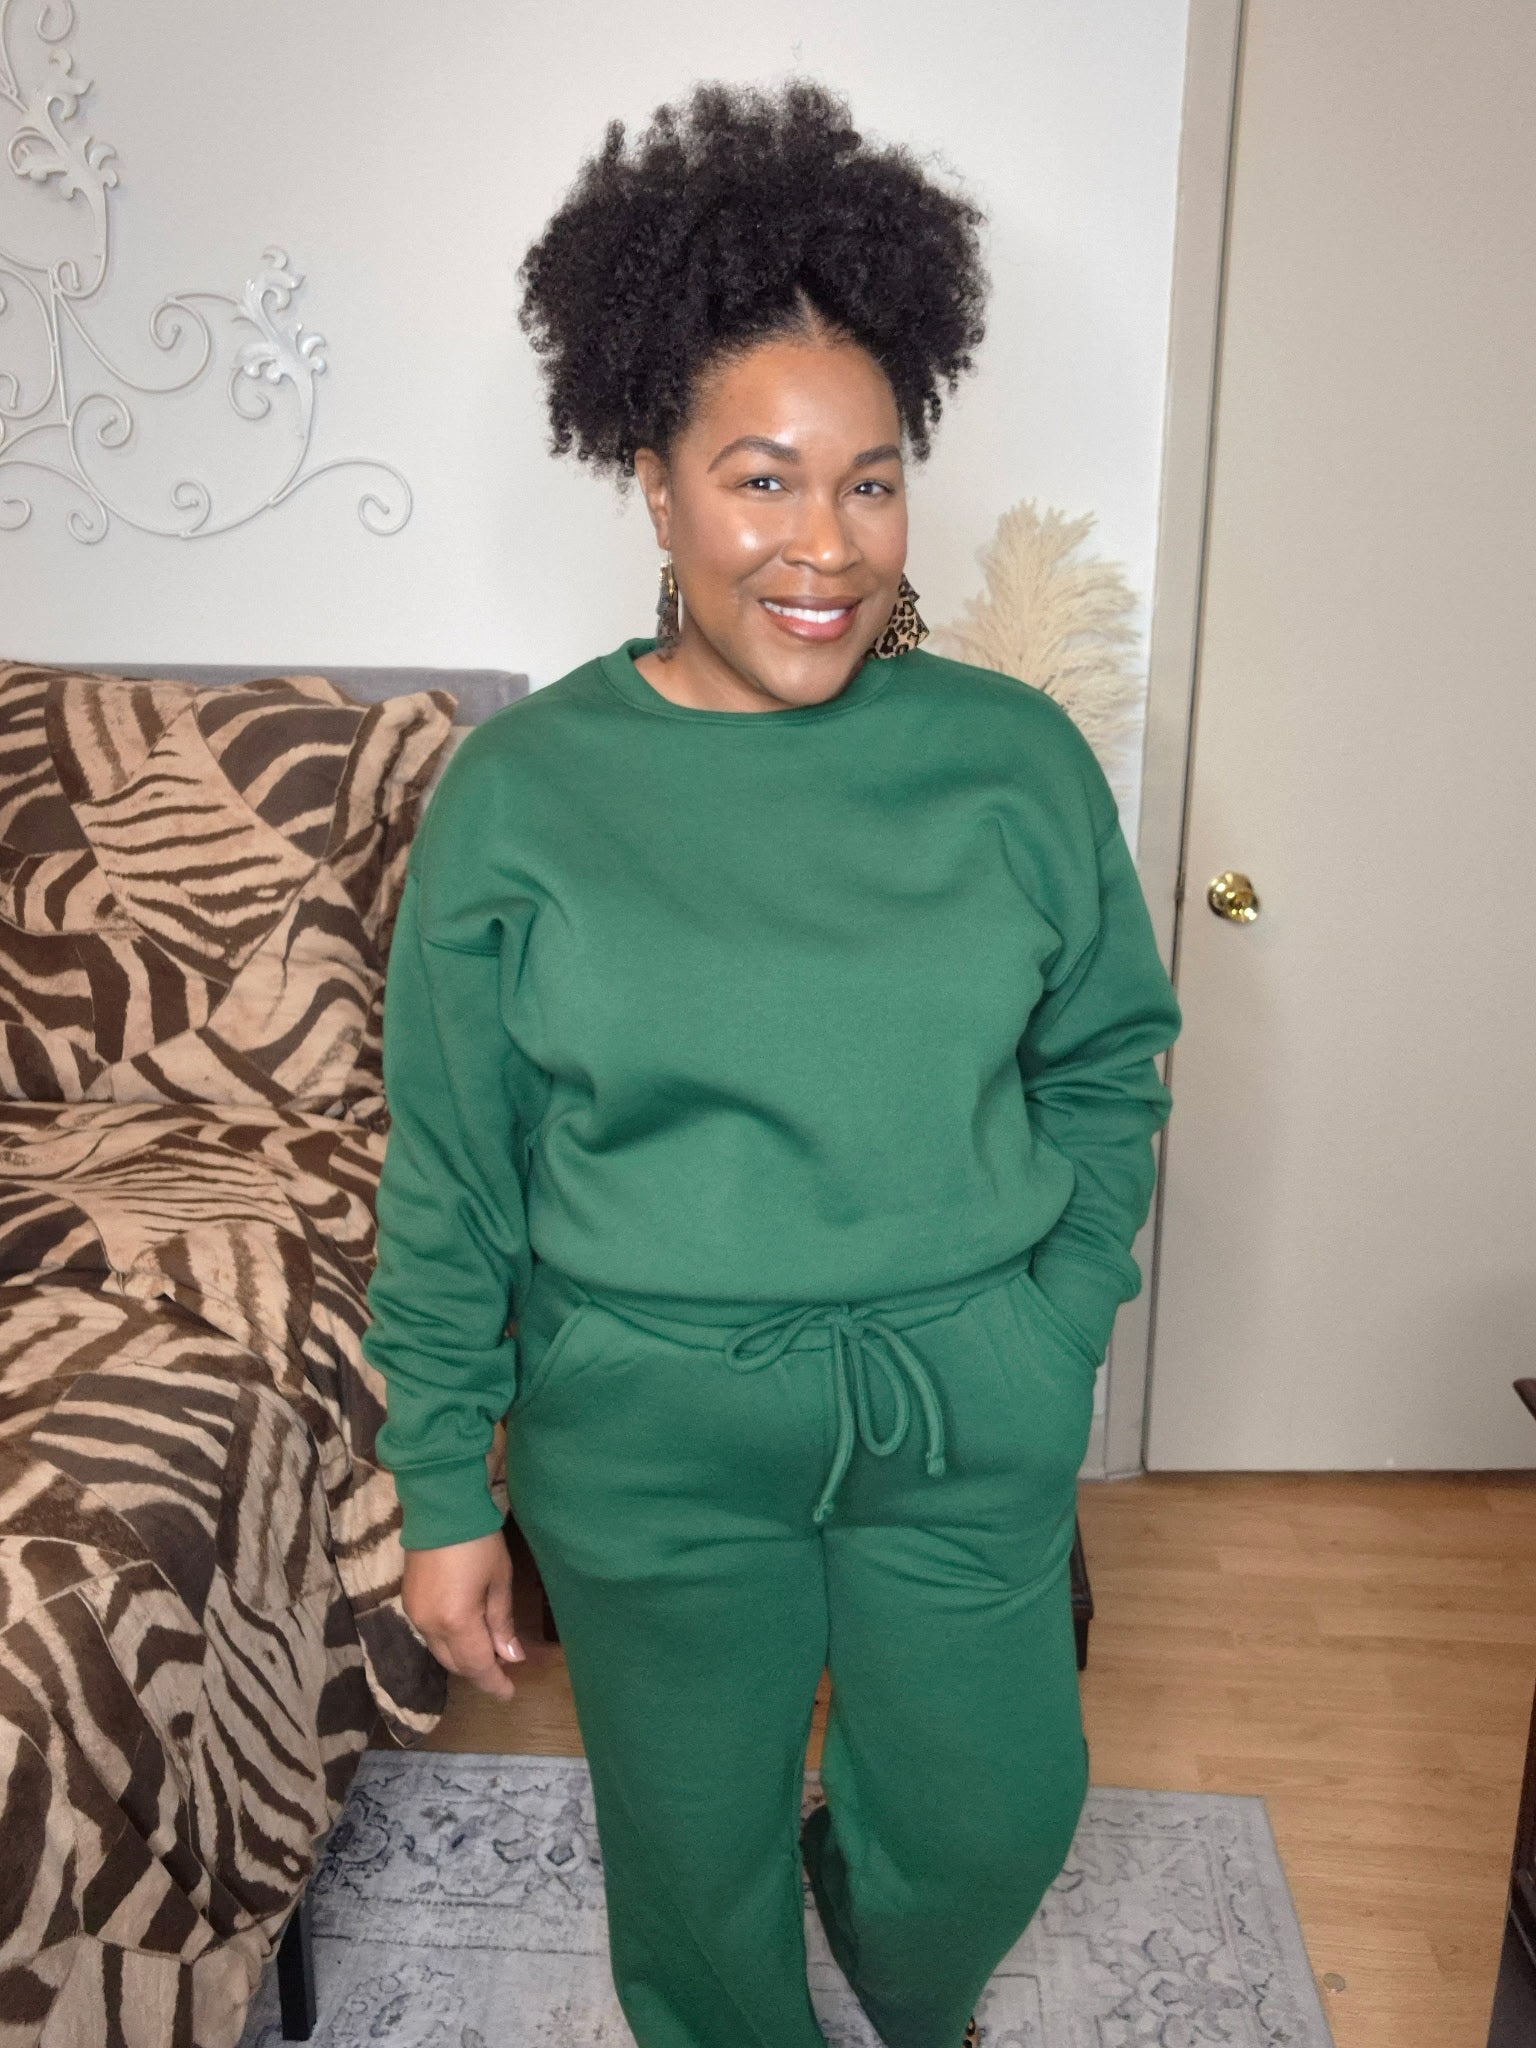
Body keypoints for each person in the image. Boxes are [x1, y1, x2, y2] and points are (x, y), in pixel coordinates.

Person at [360, 75, 1183, 2048]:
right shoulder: (526, 796)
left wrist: (1054, 1320)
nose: (826, 545)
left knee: (993, 1816)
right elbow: (454, 1166)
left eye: (872, 482)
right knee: (691, 1875)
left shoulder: (1009, 764)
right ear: (653, 484)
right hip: (650, 1436)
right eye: (762, 478)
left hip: (961, 1404)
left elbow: (1109, 1058)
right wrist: (442, 1483)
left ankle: (893, 1960)